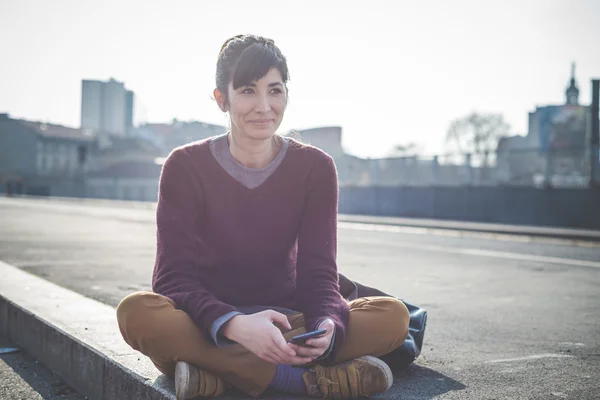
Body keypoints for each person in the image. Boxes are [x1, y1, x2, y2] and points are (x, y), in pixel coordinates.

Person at [116, 34, 410, 399]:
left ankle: (218, 375)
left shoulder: (315, 167)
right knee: (137, 313)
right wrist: (236, 325)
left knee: (393, 316)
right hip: (209, 323)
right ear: (221, 99)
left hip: (288, 318)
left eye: (275, 90)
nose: (264, 106)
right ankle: (306, 382)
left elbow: (319, 272)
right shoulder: (184, 166)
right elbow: (173, 279)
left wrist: (325, 325)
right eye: (247, 91)